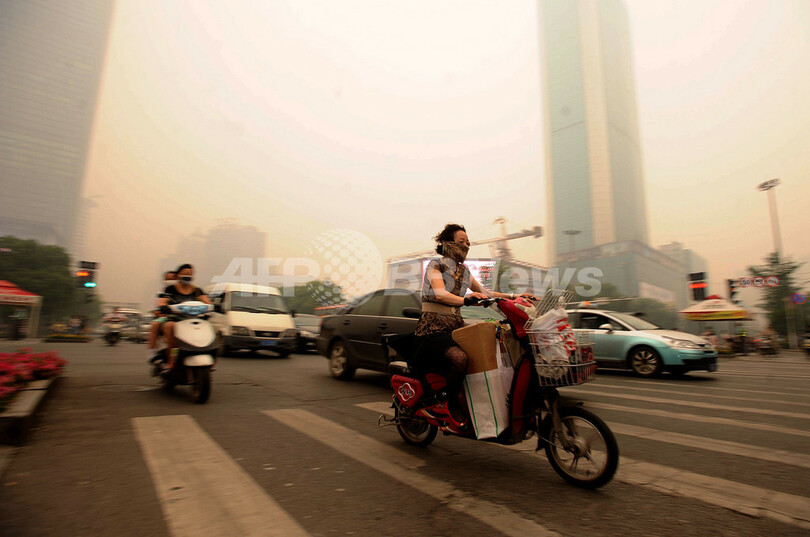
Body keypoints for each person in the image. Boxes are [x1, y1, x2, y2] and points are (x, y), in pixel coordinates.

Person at [411, 223, 535, 429]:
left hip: (454, 328)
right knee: (460, 359)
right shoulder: (436, 265)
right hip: (431, 331)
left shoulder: (464, 270)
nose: (466, 246)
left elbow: (486, 292)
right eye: (461, 242)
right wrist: (466, 300)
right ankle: (447, 404)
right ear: (447, 243)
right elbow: (440, 293)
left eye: (468, 243)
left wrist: (516, 295)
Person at [157, 264, 211, 370]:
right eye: (185, 273)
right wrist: (164, 306)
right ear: (178, 275)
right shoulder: (170, 289)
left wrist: (213, 306)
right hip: (177, 319)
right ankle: (171, 357)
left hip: (194, 319)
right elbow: (162, 301)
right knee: (169, 326)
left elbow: (207, 301)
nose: (187, 276)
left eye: (190, 274)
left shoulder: (197, 290)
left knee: (211, 327)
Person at [147, 270, 177, 361]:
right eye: (168, 278)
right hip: (165, 319)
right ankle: (152, 352)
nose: (170, 280)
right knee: (155, 324)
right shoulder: (160, 294)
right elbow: (155, 310)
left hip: (181, 318)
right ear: (164, 280)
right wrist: (163, 314)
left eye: (172, 278)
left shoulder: (182, 292)